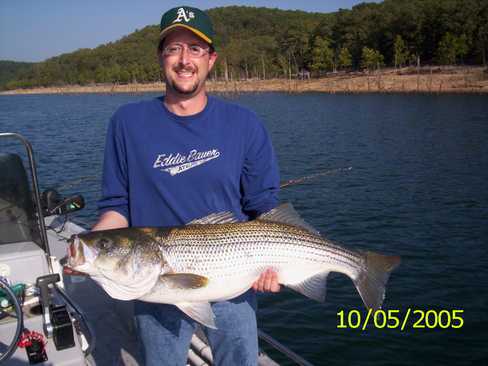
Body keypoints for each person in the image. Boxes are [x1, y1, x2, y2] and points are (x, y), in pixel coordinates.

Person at [92, 5, 281, 366]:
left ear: (211, 59)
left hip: (233, 278)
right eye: (173, 48)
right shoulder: (127, 123)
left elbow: (263, 204)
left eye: (195, 49)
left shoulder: (245, 123)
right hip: (154, 281)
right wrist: (92, 247)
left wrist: (275, 265)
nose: (184, 60)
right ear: (161, 58)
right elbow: (116, 204)